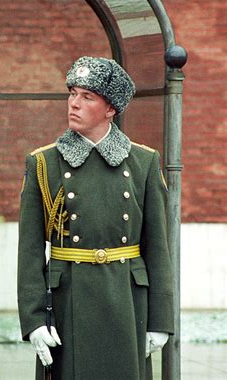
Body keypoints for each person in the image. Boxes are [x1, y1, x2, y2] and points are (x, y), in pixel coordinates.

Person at [18, 56, 174, 379]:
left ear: (110, 109)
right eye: (72, 93)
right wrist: (33, 321)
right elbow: (30, 252)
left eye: (87, 97)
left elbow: (158, 248)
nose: (73, 104)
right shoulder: (43, 163)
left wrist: (159, 321)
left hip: (127, 303)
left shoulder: (144, 162)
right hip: (67, 305)